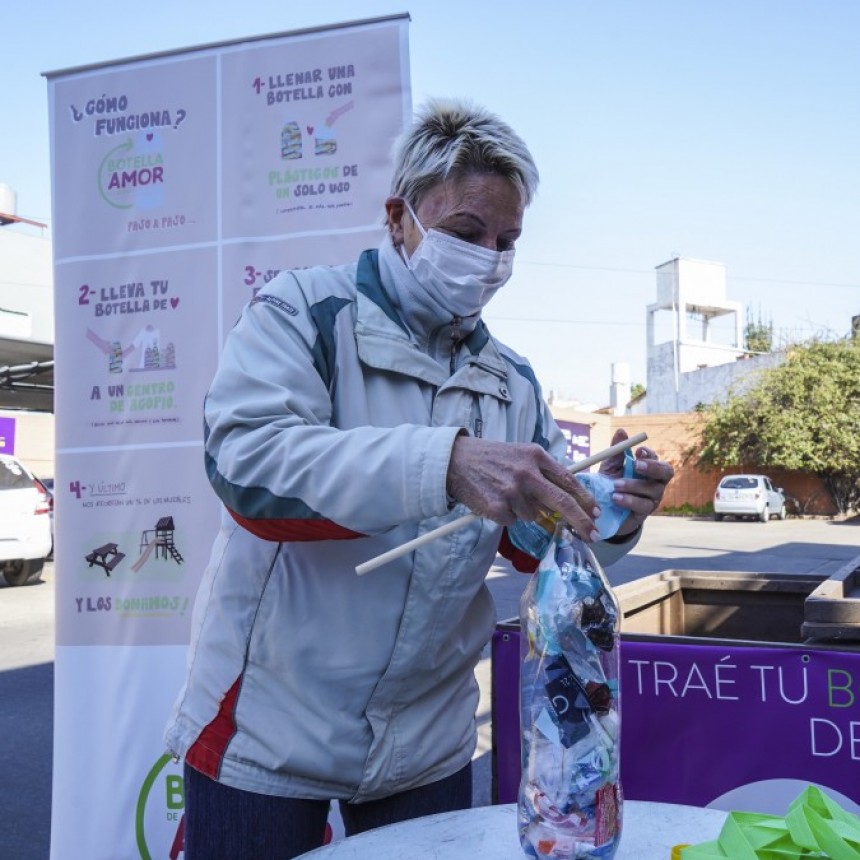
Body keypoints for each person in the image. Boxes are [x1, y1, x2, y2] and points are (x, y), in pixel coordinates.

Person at [164, 98, 674, 859]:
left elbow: (537, 541)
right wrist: (444, 464)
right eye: (467, 233)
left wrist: (616, 508)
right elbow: (249, 467)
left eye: (508, 241)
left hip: (427, 745)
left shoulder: (513, 382)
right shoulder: (304, 313)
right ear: (399, 217)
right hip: (267, 731)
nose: (491, 259)